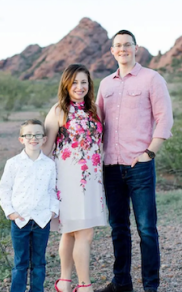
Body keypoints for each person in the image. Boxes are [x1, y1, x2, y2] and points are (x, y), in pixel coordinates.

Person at [95, 30, 173, 292]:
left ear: (135, 48)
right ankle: (122, 283)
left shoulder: (152, 79)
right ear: (112, 51)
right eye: (118, 45)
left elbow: (165, 118)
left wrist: (149, 153)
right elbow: (97, 122)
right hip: (111, 167)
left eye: (127, 44)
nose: (123, 49)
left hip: (139, 165)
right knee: (118, 228)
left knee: (147, 229)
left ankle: (151, 285)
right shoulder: (105, 84)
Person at [43, 64, 107, 292]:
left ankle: (64, 281)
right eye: (75, 82)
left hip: (92, 181)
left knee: (71, 231)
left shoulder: (95, 110)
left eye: (84, 82)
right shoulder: (58, 110)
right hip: (68, 180)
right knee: (85, 233)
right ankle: (85, 286)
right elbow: (46, 150)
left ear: (89, 85)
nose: (80, 87)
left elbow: (100, 143)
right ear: (66, 84)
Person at [0, 119, 59, 292]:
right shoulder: (14, 163)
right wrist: (10, 212)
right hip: (20, 220)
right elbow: (4, 189)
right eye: (29, 135)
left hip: (41, 220)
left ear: (44, 139)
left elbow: (52, 189)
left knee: (39, 262)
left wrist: (53, 211)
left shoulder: (49, 165)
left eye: (38, 134)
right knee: (20, 263)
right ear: (21, 139)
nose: (34, 138)